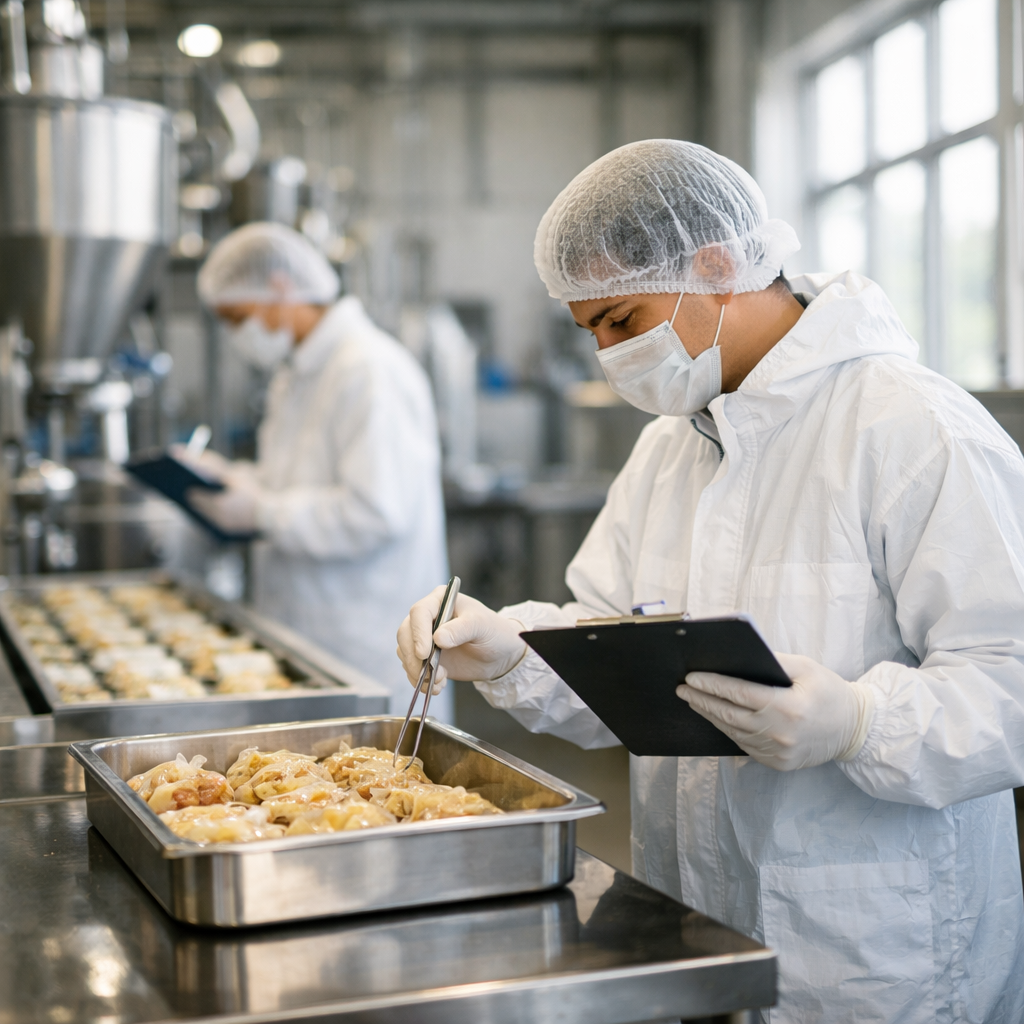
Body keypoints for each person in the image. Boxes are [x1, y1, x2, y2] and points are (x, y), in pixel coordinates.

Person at [396, 140, 1024, 1021]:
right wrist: (512, 651)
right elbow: (617, 641)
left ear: (719, 264)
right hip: (697, 920)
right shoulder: (672, 444)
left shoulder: (911, 429)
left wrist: (859, 722)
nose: (609, 356)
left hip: (878, 948)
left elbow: (1009, 680)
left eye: (622, 319)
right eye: (591, 334)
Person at [190, 222, 450, 717]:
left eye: (238, 317)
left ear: (281, 289)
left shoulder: (369, 370)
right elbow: (292, 482)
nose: (235, 335)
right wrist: (230, 480)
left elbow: (374, 513)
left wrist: (261, 513)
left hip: (366, 648)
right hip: (308, 638)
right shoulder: (295, 375)